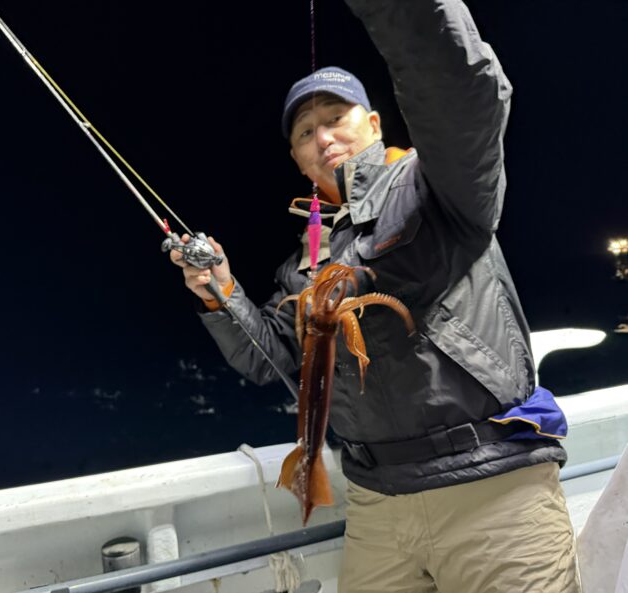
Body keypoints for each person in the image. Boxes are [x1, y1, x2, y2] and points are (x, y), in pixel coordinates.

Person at [171, 1, 579, 591]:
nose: (323, 136)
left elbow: (463, 96)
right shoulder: (303, 266)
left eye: (337, 117)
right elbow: (274, 362)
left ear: (376, 123)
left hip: (493, 488)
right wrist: (223, 291)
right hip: (376, 503)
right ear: (297, 160)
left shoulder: (438, 189)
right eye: (305, 132)